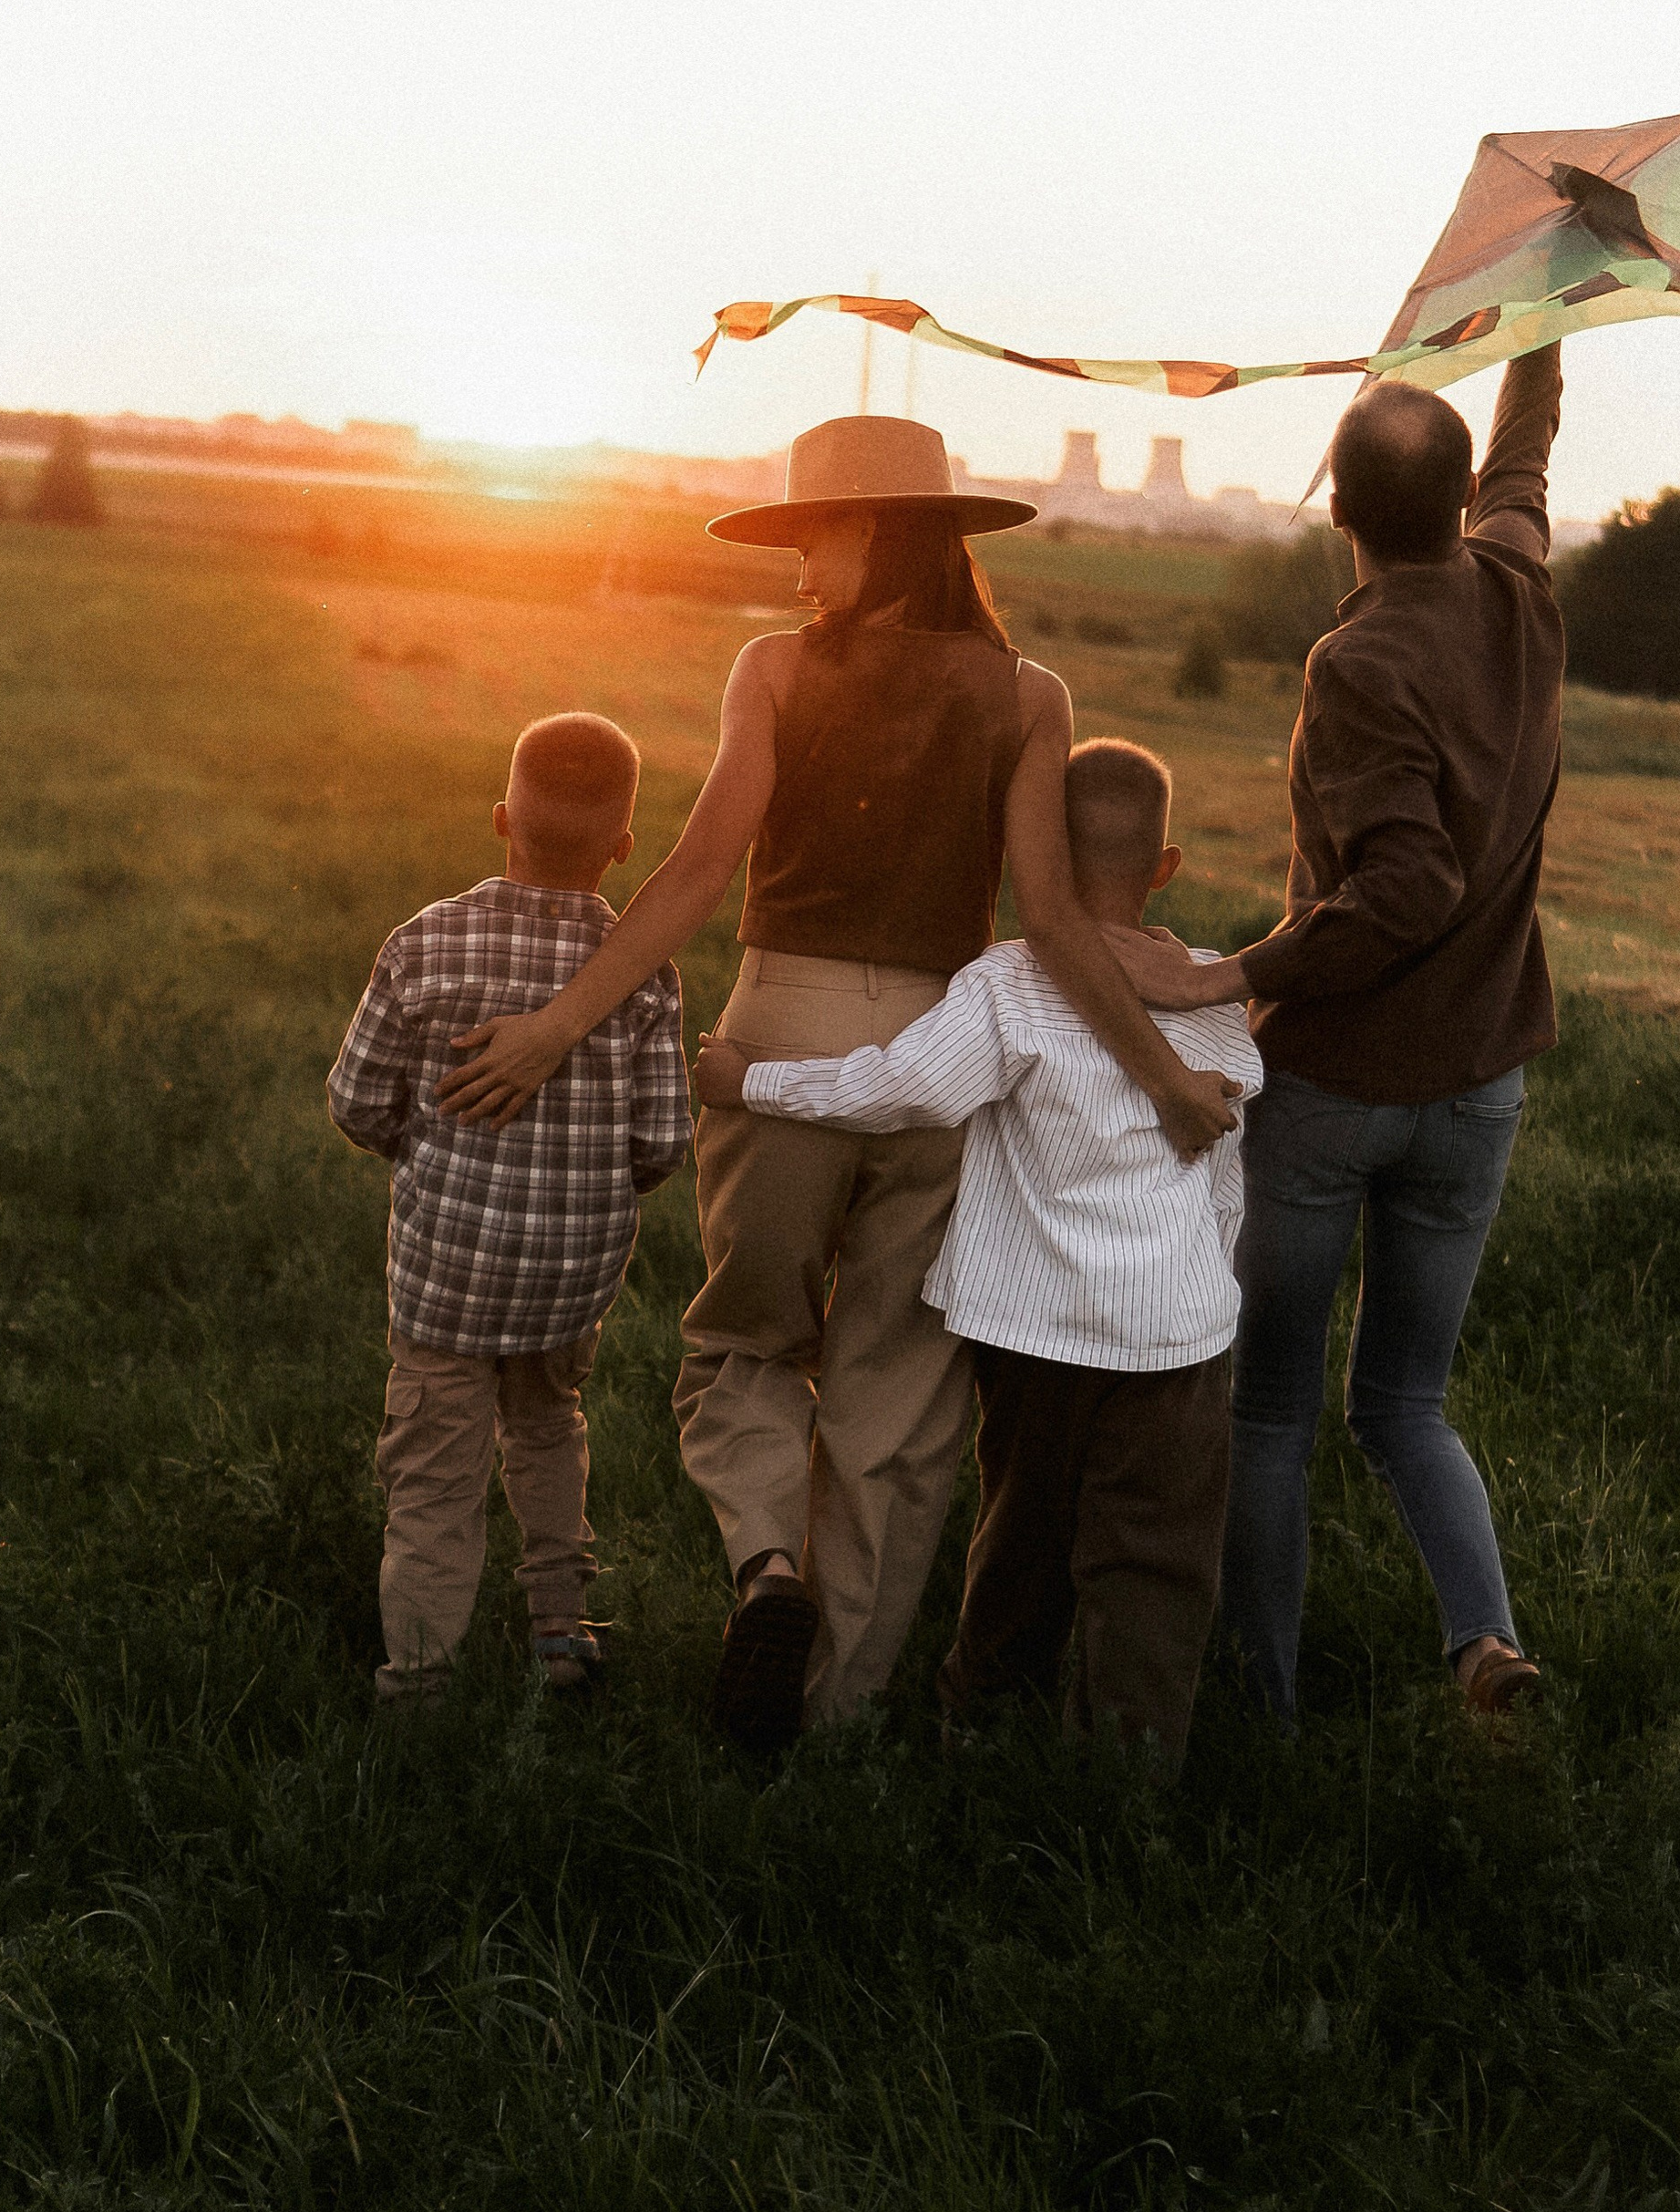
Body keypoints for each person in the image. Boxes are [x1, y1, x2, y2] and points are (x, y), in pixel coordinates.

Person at [433, 416, 1241, 1753]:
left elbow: (694, 874)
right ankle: (835, 1711)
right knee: (897, 1393)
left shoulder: (774, 672)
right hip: (942, 1056)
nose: (800, 571)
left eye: (814, 539)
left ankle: (768, 1569)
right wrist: (1160, 1077)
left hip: (780, 1038)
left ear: (881, 529)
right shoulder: (1030, 694)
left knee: (742, 1342)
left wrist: (556, 1027)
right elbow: (1050, 917)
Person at [1108, 346, 1568, 1725]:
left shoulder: (1358, 659)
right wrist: (1542, 307)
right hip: (1479, 1088)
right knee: (1407, 1405)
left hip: (1338, 1086)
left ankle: (1267, 1707)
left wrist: (1228, 974)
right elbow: (1529, 451)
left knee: (1271, 1411)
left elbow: (1406, 886)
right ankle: (1483, 1645)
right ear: (1466, 499)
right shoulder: (1522, 589)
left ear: (1340, 511)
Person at [696, 739, 1260, 1773]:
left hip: (1040, 1335)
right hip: (1181, 1337)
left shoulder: (1009, 983)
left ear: (1029, 854)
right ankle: (1129, 1771)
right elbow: (1227, 1177)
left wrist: (753, 1082)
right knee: (1157, 1565)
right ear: (1165, 866)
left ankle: (983, 1733)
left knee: (1023, 1535)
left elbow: (901, 1088)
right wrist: (1203, 1282)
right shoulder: (1211, 995)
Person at [326, 712, 690, 1702]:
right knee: (548, 1424)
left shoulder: (424, 944)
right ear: (623, 846)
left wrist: (427, 1150)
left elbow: (357, 1101)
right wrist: (587, 1183)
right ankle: (560, 1634)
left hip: (447, 1269)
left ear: (501, 819)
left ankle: (420, 1680)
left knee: (434, 1477)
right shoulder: (641, 971)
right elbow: (663, 1140)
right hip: (571, 1278)